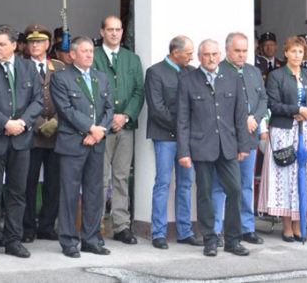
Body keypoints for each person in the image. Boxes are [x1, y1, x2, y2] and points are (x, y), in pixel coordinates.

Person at [0, 25, 43, 259]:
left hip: (21, 139)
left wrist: (22, 122)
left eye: (2, 44)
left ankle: (14, 239)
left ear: (14, 45)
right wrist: (5, 123)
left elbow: (38, 100)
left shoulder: (28, 67)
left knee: (17, 192)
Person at [177, 39, 250, 257]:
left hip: (227, 145)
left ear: (220, 55)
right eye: (207, 55)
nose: (211, 59)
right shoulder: (188, 81)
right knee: (205, 194)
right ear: (199, 57)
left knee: (235, 190)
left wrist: (243, 145)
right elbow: (183, 119)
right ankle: (210, 239)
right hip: (201, 146)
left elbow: (240, 114)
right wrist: (183, 151)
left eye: (214, 54)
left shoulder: (232, 78)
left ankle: (233, 240)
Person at [258, 35, 307, 242]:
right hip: (284, 132)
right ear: (286, 53)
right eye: (293, 51)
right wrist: (296, 109)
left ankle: (299, 223)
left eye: (300, 51)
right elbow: (273, 104)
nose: (297, 55)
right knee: (286, 177)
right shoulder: (276, 75)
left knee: (305, 178)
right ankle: (287, 225)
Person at [51, 36, 113, 258]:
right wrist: (90, 128)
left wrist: (98, 132)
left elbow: (109, 109)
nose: (89, 55)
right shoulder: (61, 77)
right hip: (72, 143)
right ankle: (68, 241)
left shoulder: (101, 77)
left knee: (94, 192)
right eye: (84, 51)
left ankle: (91, 239)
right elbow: (66, 110)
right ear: (73, 54)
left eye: (91, 51)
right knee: (69, 193)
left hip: (96, 143)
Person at [145, 35, 202, 249]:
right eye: (188, 53)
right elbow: (157, 108)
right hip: (164, 136)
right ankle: (158, 233)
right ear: (175, 52)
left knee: (186, 184)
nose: (191, 57)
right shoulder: (155, 72)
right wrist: (182, 128)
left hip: (186, 139)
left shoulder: (192, 72)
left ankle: (184, 231)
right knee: (163, 183)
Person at [92, 16, 144, 245]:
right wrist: (108, 117)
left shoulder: (132, 59)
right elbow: (90, 90)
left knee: (122, 177)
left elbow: (139, 91)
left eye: (118, 29)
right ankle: (95, 225)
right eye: (110, 29)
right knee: (100, 177)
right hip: (101, 128)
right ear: (102, 32)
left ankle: (121, 225)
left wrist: (125, 116)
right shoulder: (93, 56)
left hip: (125, 126)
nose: (114, 33)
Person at [212, 32, 268, 245]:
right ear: (227, 50)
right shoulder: (218, 71)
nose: (241, 55)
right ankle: (216, 230)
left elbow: (263, 99)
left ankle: (246, 228)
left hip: (249, 136)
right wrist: (242, 119)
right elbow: (215, 104)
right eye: (237, 51)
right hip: (226, 137)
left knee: (246, 184)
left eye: (245, 51)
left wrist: (255, 117)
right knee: (220, 185)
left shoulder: (254, 72)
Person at [22, 24, 65, 243]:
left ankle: (47, 226)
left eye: (39, 42)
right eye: (32, 42)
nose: (35, 45)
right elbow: (20, 100)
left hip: (55, 134)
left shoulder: (58, 66)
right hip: (31, 134)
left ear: (48, 44)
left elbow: (66, 96)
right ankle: (28, 227)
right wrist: (39, 123)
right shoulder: (20, 66)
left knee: (53, 183)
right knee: (28, 183)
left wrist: (56, 121)